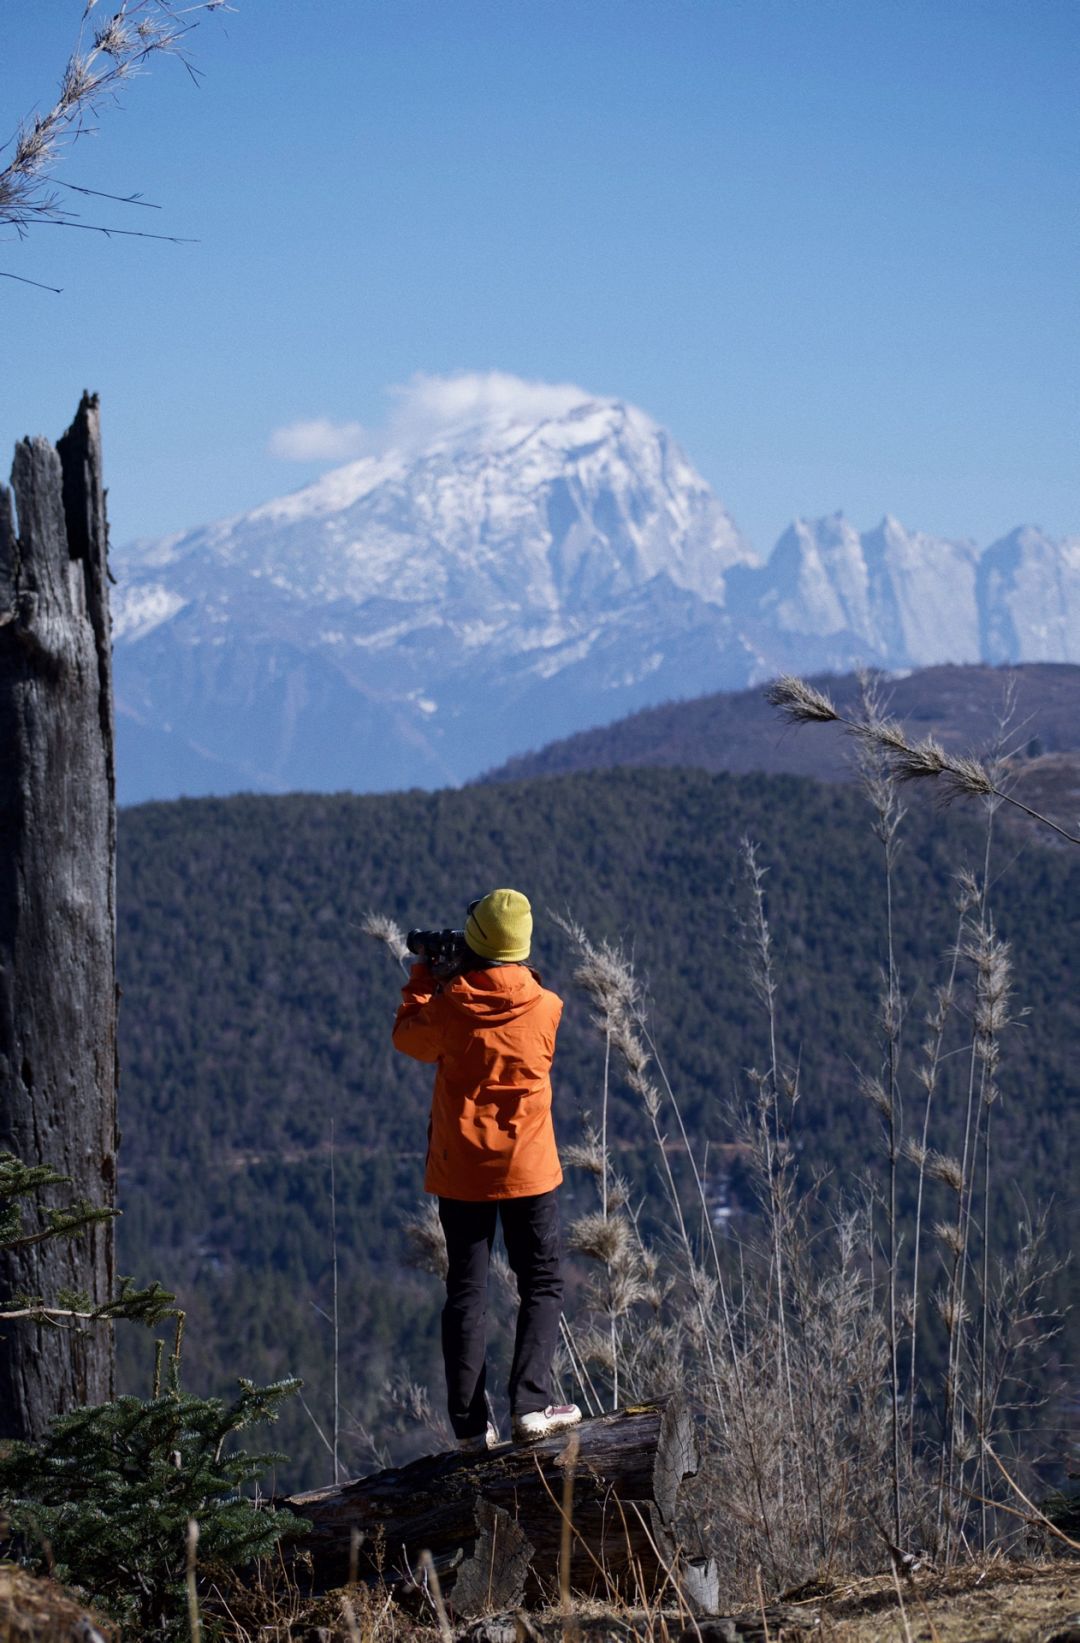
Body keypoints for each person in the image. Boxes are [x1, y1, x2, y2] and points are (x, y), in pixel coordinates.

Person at [392, 887, 581, 1450]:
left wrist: (428, 976)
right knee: (541, 1281)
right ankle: (532, 1404)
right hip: (529, 1167)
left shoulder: (450, 1006)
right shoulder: (548, 1006)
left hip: (463, 1168)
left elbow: (408, 1037)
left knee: (466, 1292)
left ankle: (472, 1428)